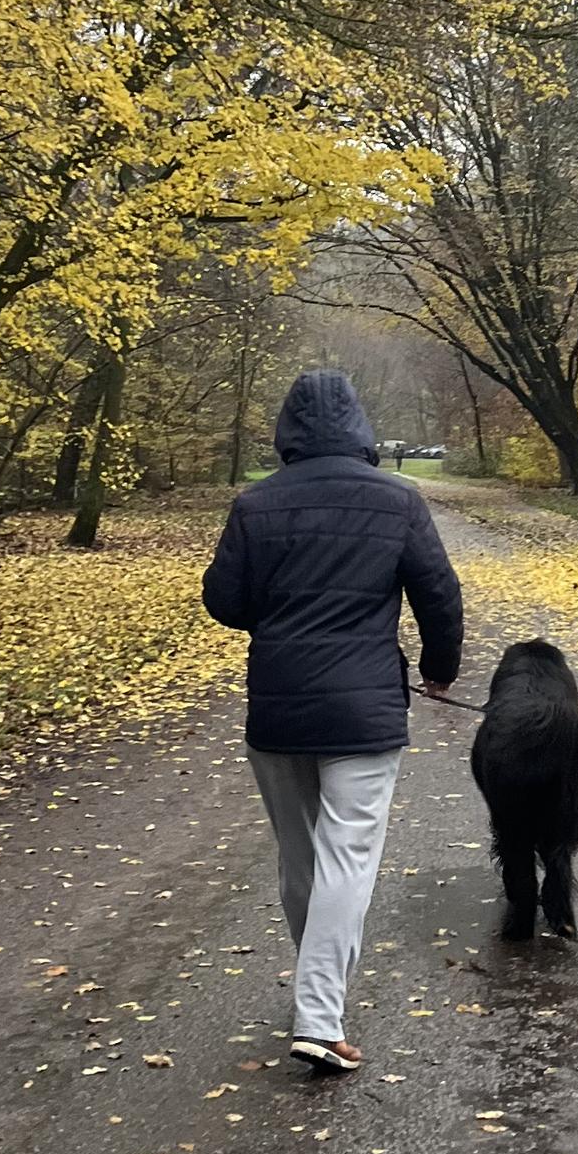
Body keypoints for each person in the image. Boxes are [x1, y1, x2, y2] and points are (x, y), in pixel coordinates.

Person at [200, 369, 464, 1071]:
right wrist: (441, 667)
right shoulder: (398, 501)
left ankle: (320, 1003)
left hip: (279, 705)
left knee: (299, 858)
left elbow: (224, 601)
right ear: (359, 426)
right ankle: (319, 1012)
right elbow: (438, 593)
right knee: (346, 857)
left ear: (286, 430)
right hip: (364, 709)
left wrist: (282, 612)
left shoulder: (255, 505)